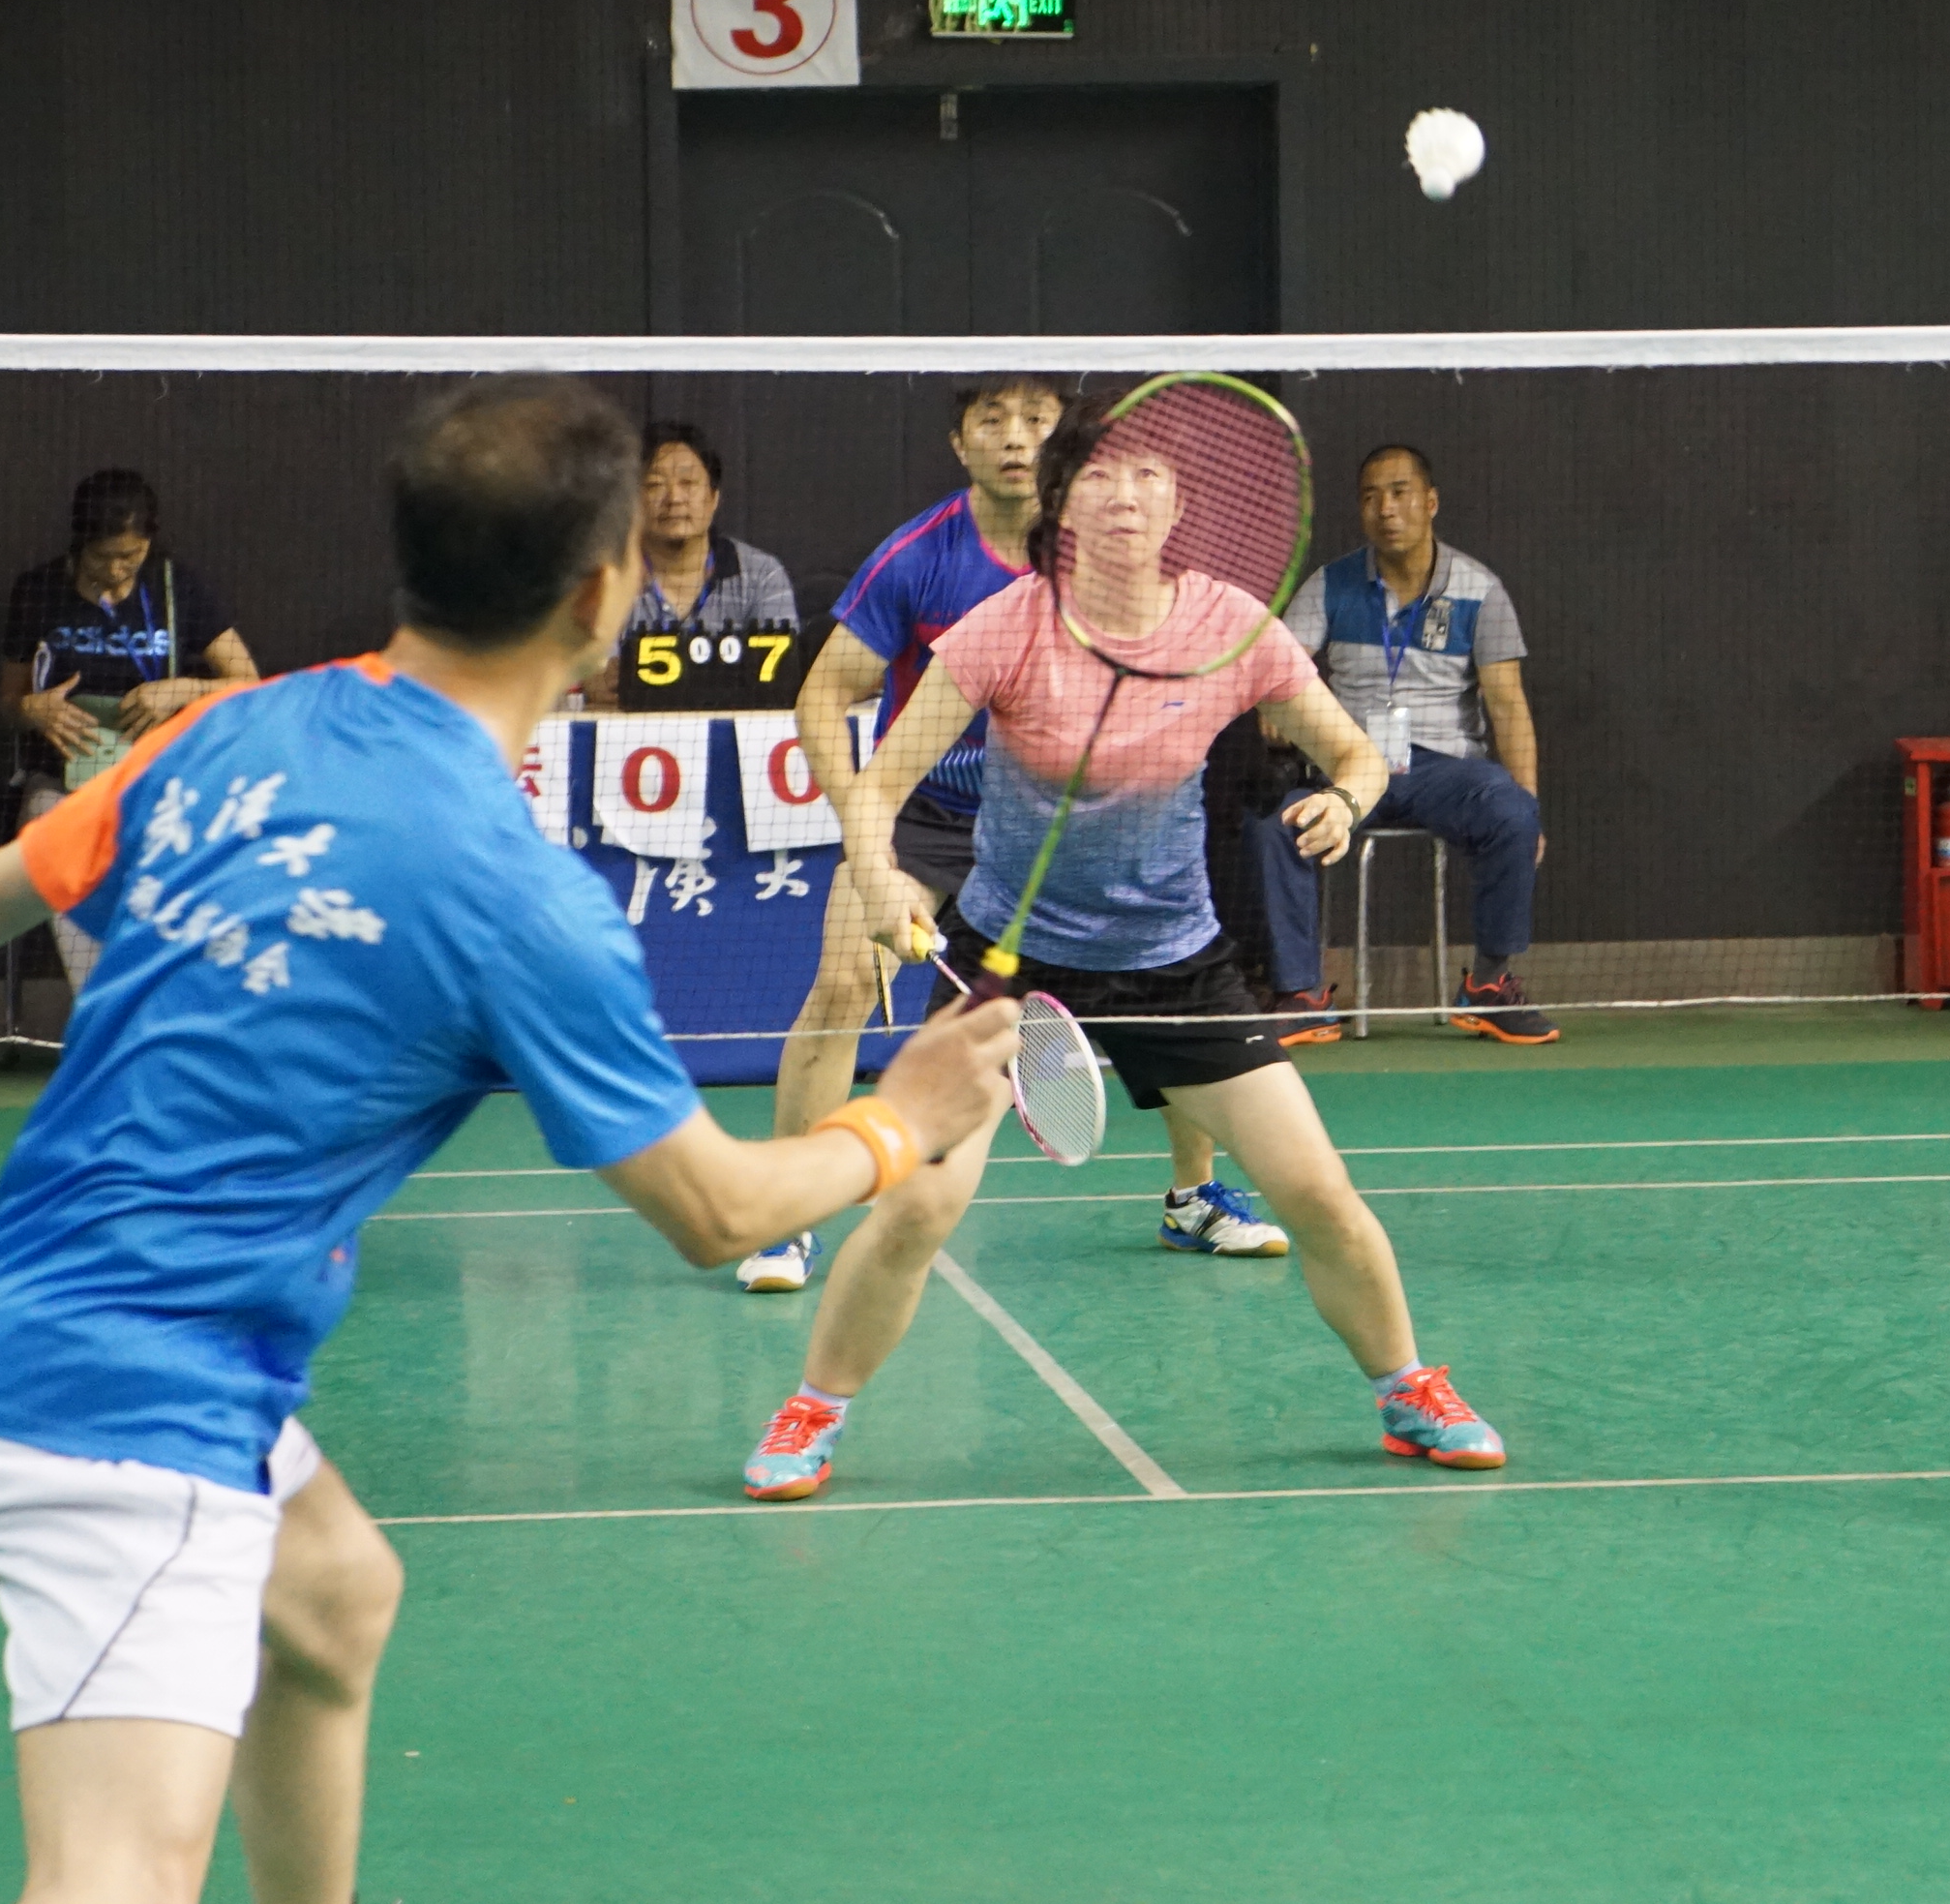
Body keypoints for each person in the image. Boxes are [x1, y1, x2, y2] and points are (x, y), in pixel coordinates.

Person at [0, 375, 1017, 1904]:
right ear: (606, 595)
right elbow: (718, 1213)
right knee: (110, 1903)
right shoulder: (515, 894)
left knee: (333, 1596)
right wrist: (898, 1124)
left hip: (51, 1312)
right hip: (130, 1402)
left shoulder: (240, 723)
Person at [735, 392, 1506, 1500]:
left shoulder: (1229, 625)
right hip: (1008, 961)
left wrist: (1346, 799)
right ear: (1061, 508)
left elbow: (1358, 753)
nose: (1127, 494)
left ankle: (1406, 1387)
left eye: (1150, 476)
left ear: (1182, 505)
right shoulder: (1007, 625)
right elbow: (877, 784)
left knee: (1319, 1192)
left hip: (1176, 966)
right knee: (918, 1206)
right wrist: (880, 872)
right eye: (1100, 475)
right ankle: (815, 1405)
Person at [744, 379, 1295, 1285]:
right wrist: (869, 850)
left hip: (1067, 826)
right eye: (991, 421)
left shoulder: (1117, 553)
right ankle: (787, 1214)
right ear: (959, 444)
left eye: (1036, 421)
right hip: (931, 813)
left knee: (1168, 974)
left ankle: (1193, 1196)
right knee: (844, 978)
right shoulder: (920, 558)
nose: (1015, 438)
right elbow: (823, 696)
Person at [1248, 442, 1556, 1044]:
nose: (1385, 509)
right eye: (1370, 497)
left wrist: (1531, 806)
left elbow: (1507, 705)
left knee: (1513, 813)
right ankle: (1302, 995)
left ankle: (1489, 985)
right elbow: (1276, 670)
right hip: (1349, 768)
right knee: (1276, 827)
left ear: (1430, 502)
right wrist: (1274, 706)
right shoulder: (1330, 585)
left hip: (1445, 771)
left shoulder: (1481, 591)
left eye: (1399, 493)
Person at [0, 469, 263, 994]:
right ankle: (101, 1005)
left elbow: (248, 683)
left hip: (155, 777)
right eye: (103, 558)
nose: (117, 571)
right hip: (64, 781)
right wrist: (32, 709)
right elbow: (7, 704)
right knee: (52, 848)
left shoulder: (175, 588)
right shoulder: (38, 591)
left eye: (130, 556)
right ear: (80, 543)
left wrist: (181, 690)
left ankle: (167, 1001)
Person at [586, 421, 798, 710]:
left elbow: (780, 677)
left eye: (687, 483)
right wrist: (596, 679)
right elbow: (603, 676)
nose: (674, 499)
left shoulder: (761, 575)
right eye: (655, 485)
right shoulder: (607, 578)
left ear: (713, 498)